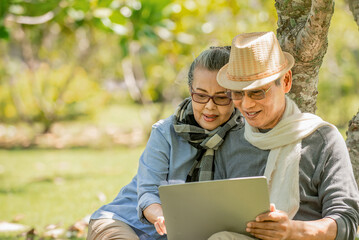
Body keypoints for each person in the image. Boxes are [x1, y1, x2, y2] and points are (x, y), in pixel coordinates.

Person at [210, 31, 359, 240]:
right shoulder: (231, 142)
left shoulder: (323, 140)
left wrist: (292, 231)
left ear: (286, 81)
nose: (247, 104)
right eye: (237, 93)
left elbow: (348, 222)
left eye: (257, 92)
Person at [87, 47, 244, 240]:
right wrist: (161, 217)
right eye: (201, 95)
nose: (209, 106)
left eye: (221, 97)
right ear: (190, 91)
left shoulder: (245, 137)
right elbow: (148, 193)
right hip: (124, 222)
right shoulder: (164, 132)